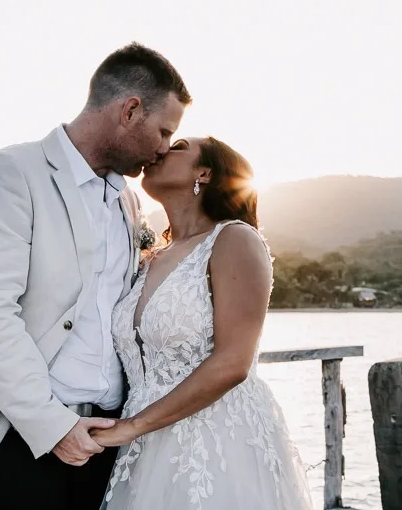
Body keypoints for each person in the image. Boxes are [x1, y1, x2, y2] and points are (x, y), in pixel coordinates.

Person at [0, 42, 191, 510]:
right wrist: (52, 426)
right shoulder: (12, 173)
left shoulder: (128, 200)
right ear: (130, 110)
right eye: (163, 131)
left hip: (106, 437)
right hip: (16, 437)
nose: (164, 148)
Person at [91, 137, 314, 509]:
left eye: (177, 146)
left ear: (204, 173)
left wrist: (133, 426)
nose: (159, 149)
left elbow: (232, 363)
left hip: (217, 441)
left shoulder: (234, 239)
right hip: (142, 447)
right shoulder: (150, 259)